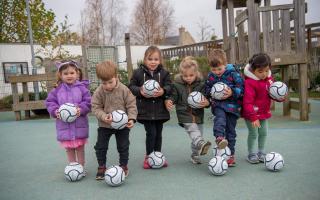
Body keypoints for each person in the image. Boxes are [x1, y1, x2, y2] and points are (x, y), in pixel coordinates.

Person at [91, 60, 137, 179]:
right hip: (104, 125)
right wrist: (103, 116)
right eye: (104, 83)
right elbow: (96, 107)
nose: (107, 86)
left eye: (110, 82)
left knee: (123, 146)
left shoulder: (124, 90)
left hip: (122, 126)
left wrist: (131, 119)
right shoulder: (99, 91)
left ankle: (123, 166)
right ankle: (101, 166)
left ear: (116, 77)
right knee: (100, 146)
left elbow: (131, 104)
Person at [129, 46, 172, 169]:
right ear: (144, 59)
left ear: (160, 60)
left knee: (158, 134)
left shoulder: (164, 73)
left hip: (160, 111)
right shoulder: (138, 73)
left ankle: (157, 156)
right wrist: (140, 91)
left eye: (156, 59)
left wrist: (163, 91)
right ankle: (148, 157)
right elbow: (131, 87)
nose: (153, 62)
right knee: (151, 133)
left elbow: (170, 86)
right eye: (150, 59)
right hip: (145, 111)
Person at [46, 60, 91, 174]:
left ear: (77, 74)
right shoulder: (57, 90)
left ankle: (80, 168)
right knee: (69, 148)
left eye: (72, 73)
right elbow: (50, 102)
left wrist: (80, 109)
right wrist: (55, 111)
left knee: (80, 147)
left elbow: (88, 102)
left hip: (79, 125)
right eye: (65, 74)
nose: (69, 76)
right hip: (64, 126)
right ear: (60, 75)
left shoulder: (82, 88)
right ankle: (73, 168)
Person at [165, 57, 211, 164]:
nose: (188, 78)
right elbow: (173, 96)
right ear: (181, 75)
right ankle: (200, 144)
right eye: (185, 76)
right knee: (194, 131)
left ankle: (194, 155)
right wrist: (169, 101)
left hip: (198, 115)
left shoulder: (201, 85)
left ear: (196, 73)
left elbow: (206, 98)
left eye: (191, 75)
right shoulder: (177, 85)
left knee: (197, 135)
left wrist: (207, 103)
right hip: (184, 114)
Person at [242, 53, 285, 164]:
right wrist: (253, 117)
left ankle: (261, 152)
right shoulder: (249, 82)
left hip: (263, 113)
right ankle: (251, 153)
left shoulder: (269, 80)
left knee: (264, 132)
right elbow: (247, 102)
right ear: (253, 70)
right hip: (251, 114)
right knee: (254, 133)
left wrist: (280, 97)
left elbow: (273, 93)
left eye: (266, 70)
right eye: (260, 72)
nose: (264, 74)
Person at [204, 49, 244, 167]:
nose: (216, 72)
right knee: (219, 119)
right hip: (218, 105)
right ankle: (219, 138)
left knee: (231, 132)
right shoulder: (211, 77)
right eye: (213, 69)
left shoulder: (234, 74)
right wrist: (210, 93)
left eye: (219, 69)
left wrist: (232, 92)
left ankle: (230, 155)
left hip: (232, 107)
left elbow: (242, 89)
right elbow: (206, 89)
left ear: (225, 64)